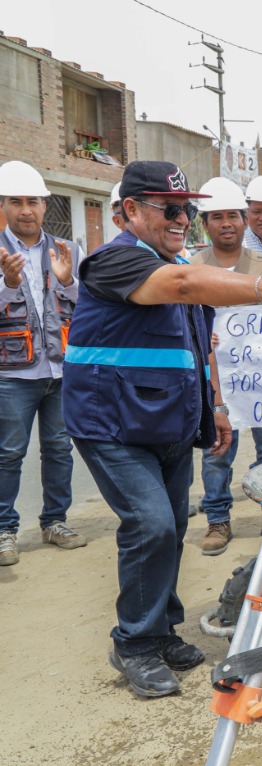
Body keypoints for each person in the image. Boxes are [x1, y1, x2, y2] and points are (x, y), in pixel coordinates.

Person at [64, 160, 262, 698]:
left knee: (170, 529)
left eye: (187, 210)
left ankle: (161, 631)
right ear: (131, 210)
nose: (183, 219)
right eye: (170, 209)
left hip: (163, 422)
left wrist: (215, 411)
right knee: (152, 525)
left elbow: (198, 350)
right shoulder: (115, 261)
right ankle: (134, 644)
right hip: (111, 423)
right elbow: (184, 286)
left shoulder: (174, 262)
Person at [188, 177, 262, 554]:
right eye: (217, 217)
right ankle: (217, 519)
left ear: (244, 221)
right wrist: (201, 333)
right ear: (205, 224)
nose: (226, 223)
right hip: (215, 378)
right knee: (217, 449)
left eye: (232, 215)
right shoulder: (192, 267)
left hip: (261, 376)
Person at [0, 160, 85, 567]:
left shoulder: (67, 250)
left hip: (61, 370)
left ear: (45, 205)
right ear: (4, 206)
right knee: (8, 453)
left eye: (32, 201)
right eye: (16, 202)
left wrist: (68, 281)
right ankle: (4, 530)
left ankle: (55, 522)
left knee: (59, 449)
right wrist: (8, 284)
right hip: (12, 375)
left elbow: (89, 306)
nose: (25, 210)